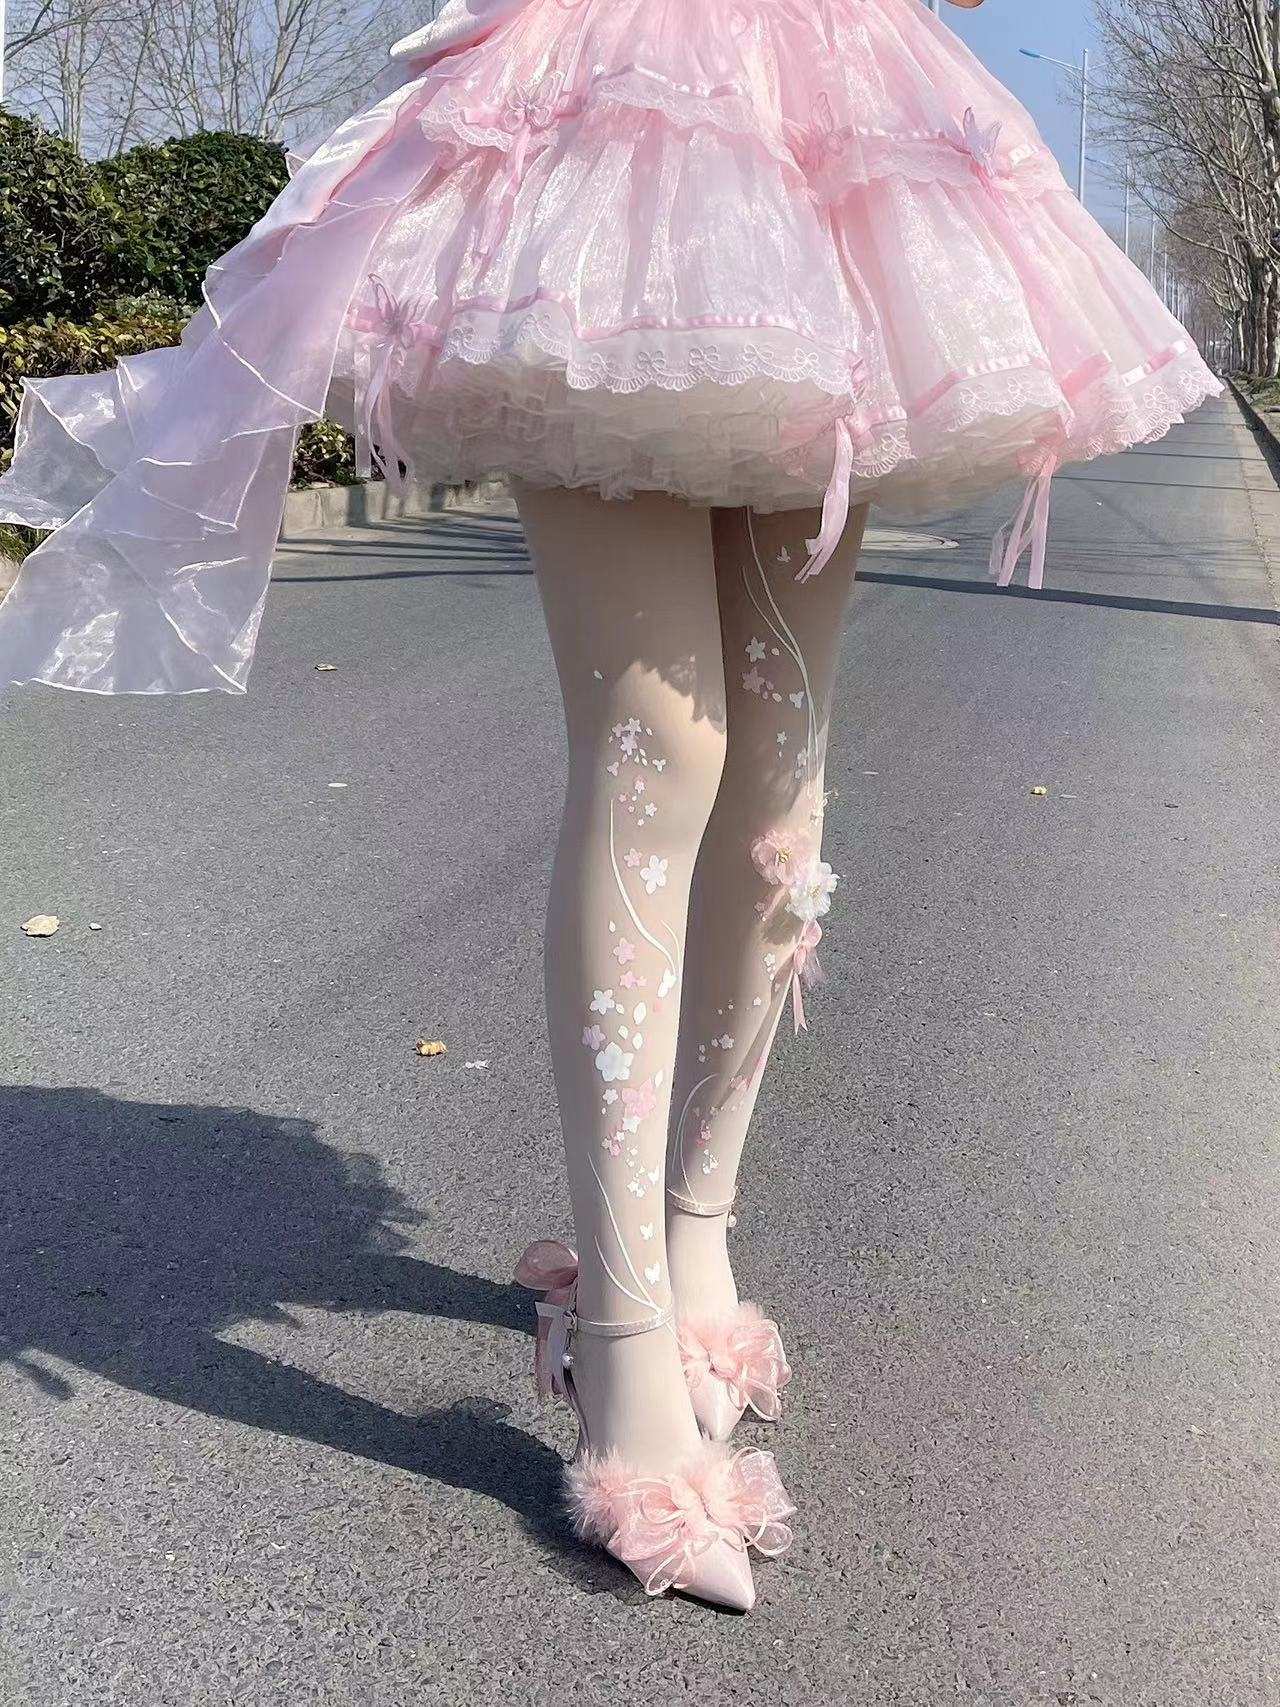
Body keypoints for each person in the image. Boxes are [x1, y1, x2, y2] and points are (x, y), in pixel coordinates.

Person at [0, 0, 1218, 1609]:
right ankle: (623, 1344)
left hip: (833, 147)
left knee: (782, 795)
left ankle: (697, 1238)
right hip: (609, 140)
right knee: (659, 754)